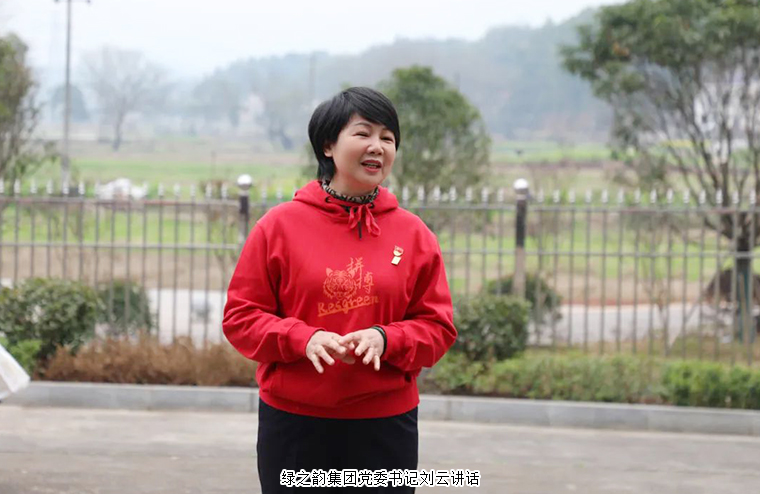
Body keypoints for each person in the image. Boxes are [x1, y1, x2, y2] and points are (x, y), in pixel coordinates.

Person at [222, 86, 457, 493]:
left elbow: (438, 328)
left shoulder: (414, 234)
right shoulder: (279, 227)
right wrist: (302, 338)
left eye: (388, 138)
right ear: (328, 145)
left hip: (385, 425)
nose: (377, 146)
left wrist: (387, 338)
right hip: (295, 423)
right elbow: (241, 318)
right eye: (363, 133)